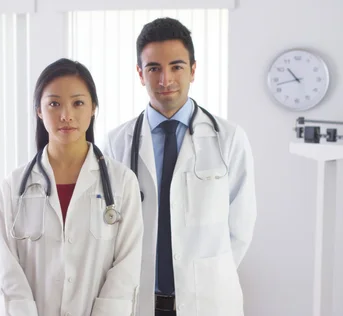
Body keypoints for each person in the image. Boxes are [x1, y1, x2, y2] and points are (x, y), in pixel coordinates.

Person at [104, 18, 257, 316]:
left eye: (176, 67)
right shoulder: (117, 143)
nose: (165, 80)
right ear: (140, 73)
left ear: (193, 70)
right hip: (138, 301)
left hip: (209, 302)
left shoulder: (229, 139)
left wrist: (207, 276)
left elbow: (241, 226)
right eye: (154, 69)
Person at [0, 58, 143, 316]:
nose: (66, 115)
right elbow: (8, 273)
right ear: (39, 110)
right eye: (54, 104)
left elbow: (125, 270)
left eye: (78, 103)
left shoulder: (122, 183)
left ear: (93, 107)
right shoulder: (13, 187)